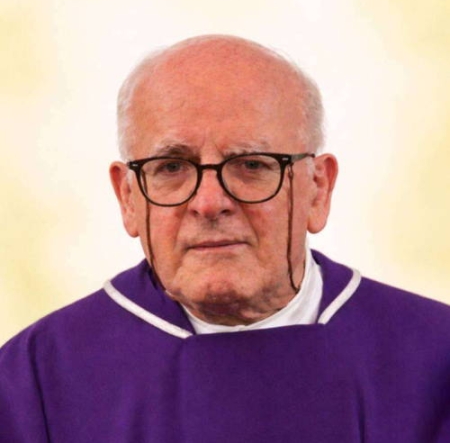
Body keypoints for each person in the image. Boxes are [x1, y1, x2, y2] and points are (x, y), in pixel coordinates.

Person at [1, 35, 449, 443]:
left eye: (251, 165)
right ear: (129, 198)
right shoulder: (34, 382)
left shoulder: (435, 361)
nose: (209, 202)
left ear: (318, 189)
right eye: (171, 167)